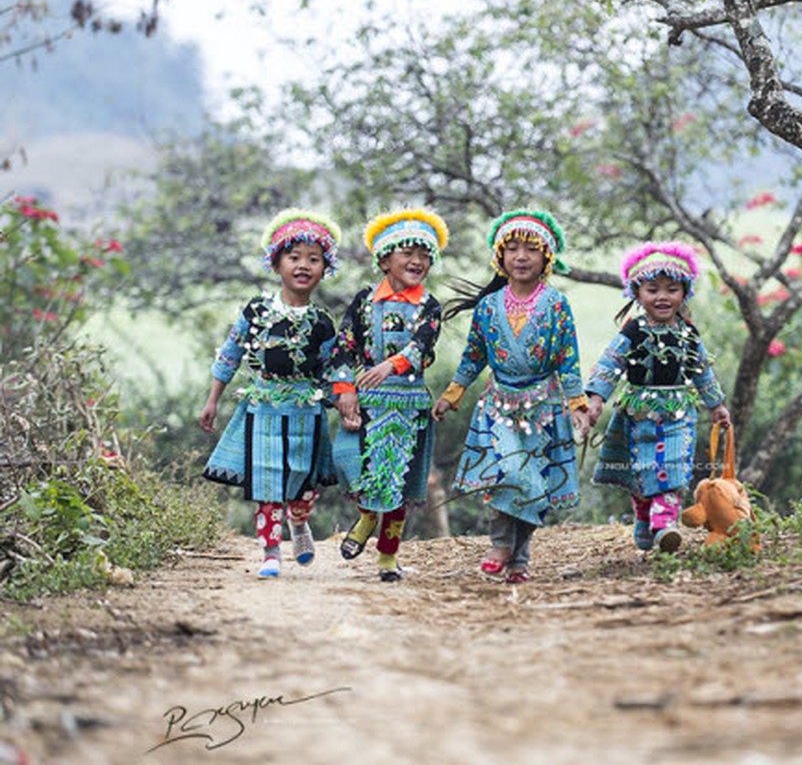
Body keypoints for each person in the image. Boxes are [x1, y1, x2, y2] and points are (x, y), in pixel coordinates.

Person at [431, 209, 589, 583]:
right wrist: (452, 395)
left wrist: (578, 403)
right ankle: (501, 544)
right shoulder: (488, 307)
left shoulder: (556, 306)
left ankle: (519, 560)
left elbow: (568, 358)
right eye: (512, 249)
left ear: (546, 258)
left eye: (531, 250)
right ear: (499, 257)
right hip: (499, 407)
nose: (521, 257)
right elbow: (474, 355)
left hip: (544, 409)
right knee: (510, 475)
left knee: (535, 482)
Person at [200, 208, 342, 578]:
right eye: (294, 257)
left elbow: (332, 371)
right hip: (261, 406)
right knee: (266, 480)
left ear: (325, 270)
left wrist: (345, 402)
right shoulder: (256, 311)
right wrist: (213, 398)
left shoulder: (323, 324)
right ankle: (270, 552)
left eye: (314, 259)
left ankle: (299, 523)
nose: (303, 266)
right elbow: (231, 353)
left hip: (306, 412)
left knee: (305, 479)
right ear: (276, 263)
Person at [584, 241, 731, 553]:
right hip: (637, 415)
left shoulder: (689, 334)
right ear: (637, 293)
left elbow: (702, 371)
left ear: (684, 293)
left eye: (671, 289)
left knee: (674, 466)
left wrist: (716, 404)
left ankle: (664, 525)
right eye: (653, 289)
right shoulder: (633, 331)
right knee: (641, 471)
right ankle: (643, 516)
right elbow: (611, 363)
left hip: (678, 414)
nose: (662, 297)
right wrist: (596, 398)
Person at [330, 208, 447, 582]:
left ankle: (387, 558)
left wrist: (391, 365)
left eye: (425, 255)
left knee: (398, 478)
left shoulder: (429, 306)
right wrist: (345, 389)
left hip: (408, 404)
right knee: (353, 463)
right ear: (384, 259)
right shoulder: (364, 302)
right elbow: (344, 346)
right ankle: (366, 517)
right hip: (367, 403)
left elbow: (423, 345)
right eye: (407, 253)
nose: (417, 261)